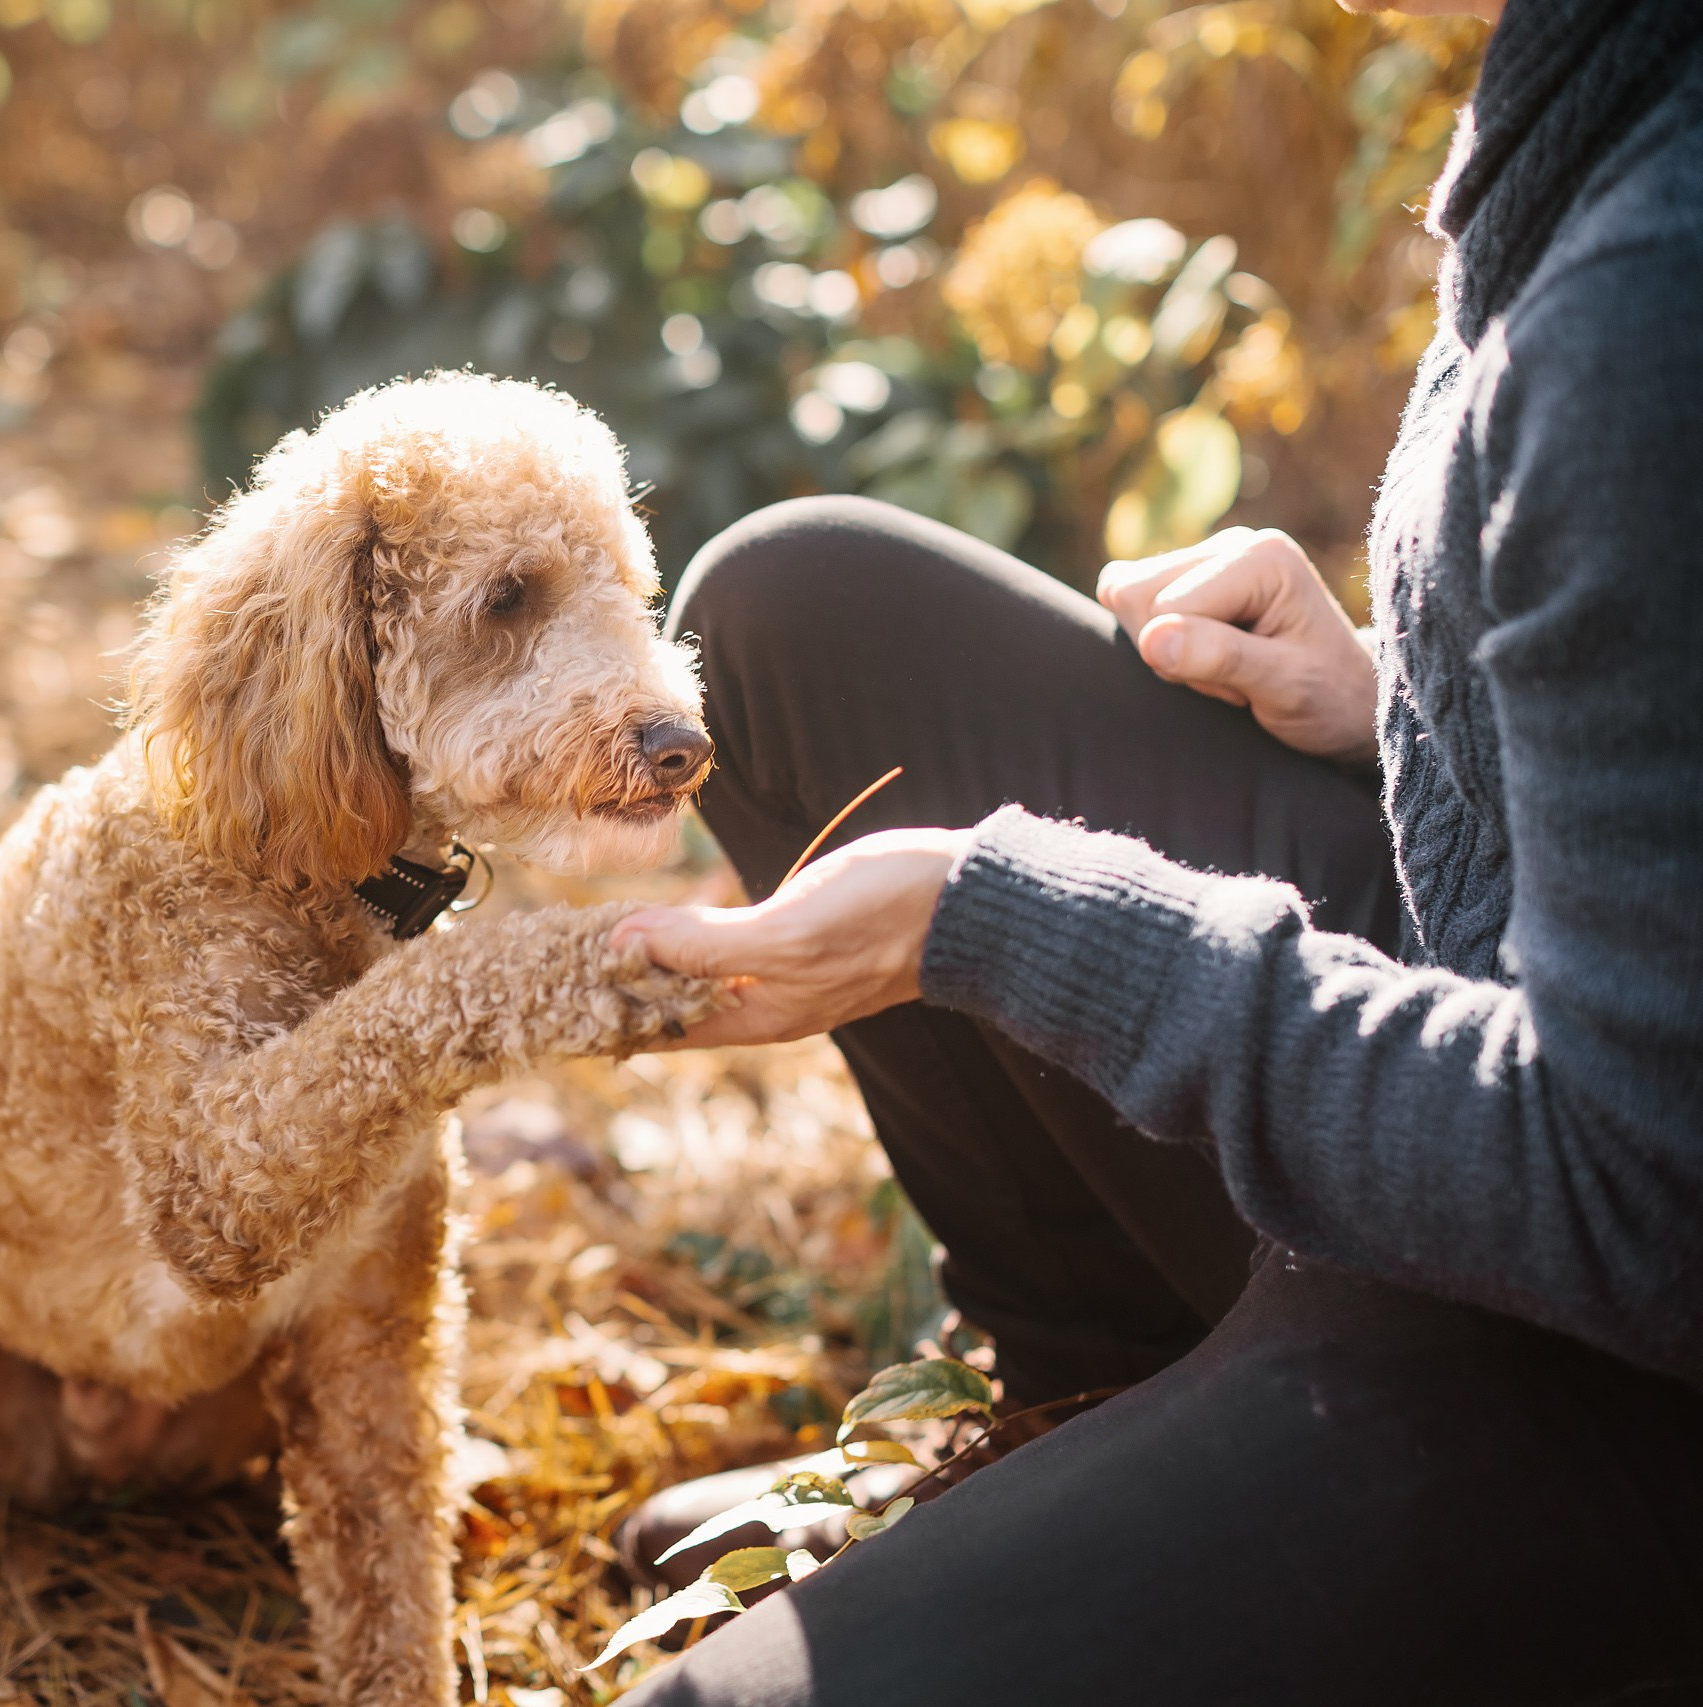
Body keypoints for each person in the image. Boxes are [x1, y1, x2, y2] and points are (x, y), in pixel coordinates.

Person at [606, 0, 1703, 1700]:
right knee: (798, 612)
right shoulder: (1598, 76)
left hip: (1611, 1333)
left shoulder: (1656, 296)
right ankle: (1092, 1392)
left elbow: (1648, 1199)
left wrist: (1000, 919)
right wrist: (1410, 709)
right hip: (1511, 1047)